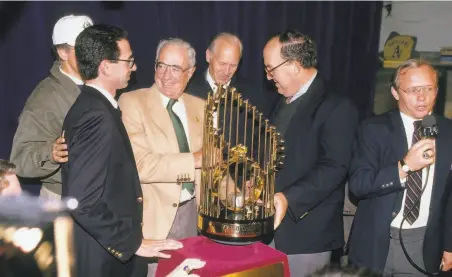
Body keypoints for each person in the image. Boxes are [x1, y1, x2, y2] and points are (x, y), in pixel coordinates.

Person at [61, 24, 182, 277]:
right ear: (105, 67)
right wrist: (132, 243)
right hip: (104, 261)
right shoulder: (96, 115)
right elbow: (82, 202)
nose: (134, 67)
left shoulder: (93, 106)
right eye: (129, 61)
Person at [262, 30, 359, 277]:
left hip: (305, 237)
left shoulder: (337, 107)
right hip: (268, 229)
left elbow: (334, 167)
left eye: (271, 69)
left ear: (294, 66)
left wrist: (288, 198)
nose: (268, 76)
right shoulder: (281, 102)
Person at [348, 59, 452, 275]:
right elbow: (358, 186)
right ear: (395, 93)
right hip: (375, 242)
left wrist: (450, 245)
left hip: (424, 243)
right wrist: (404, 167)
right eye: (413, 90)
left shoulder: (448, 131)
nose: (422, 97)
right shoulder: (373, 129)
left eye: (429, 89)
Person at [10, 14, 93, 200]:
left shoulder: (101, 82)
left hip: (97, 197)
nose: (92, 53)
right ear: (63, 52)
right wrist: (51, 153)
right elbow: (20, 160)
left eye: (93, 45)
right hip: (62, 199)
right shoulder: (45, 97)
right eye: (83, 47)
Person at [185, 32, 276, 116]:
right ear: (208, 56)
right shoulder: (187, 90)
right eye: (222, 64)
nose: (226, 72)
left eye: (233, 65)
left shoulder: (251, 94)